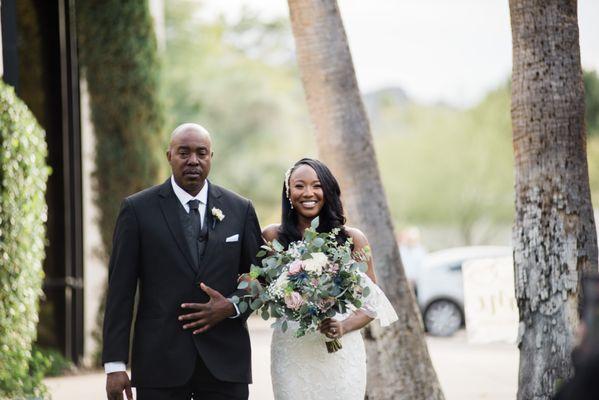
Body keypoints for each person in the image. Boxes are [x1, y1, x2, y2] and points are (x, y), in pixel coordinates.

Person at [102, 123, 262, 400]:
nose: (193, 161)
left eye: (202, 153)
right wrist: (115, 365)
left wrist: (232, 306)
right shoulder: (137, 210)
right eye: (183, 152)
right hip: (159, 362)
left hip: (225, 362)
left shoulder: (240, 209)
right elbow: (120, 291)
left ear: (212, 156)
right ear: (169, 156)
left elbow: (262, 276)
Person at [262, 158, 398, 400]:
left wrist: (343, 326)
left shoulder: (352, 240)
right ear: (288, 191)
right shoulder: (272, 238)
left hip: (341, 353)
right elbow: (261, 290)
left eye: (316, 185)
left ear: (328, 189)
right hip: (293, 349)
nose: (308, 193)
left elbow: (371, 303)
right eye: (299, 186)